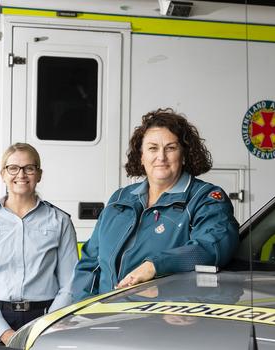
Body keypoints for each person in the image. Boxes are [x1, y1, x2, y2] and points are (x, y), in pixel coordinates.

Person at [72, 108, 239, 300]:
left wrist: (154, 266)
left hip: (158, 322)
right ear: (141, 157)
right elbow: (90, 263)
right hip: (106, 318)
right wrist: (82, 311)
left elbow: (212, 247)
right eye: (152, 148)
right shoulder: (120, 199)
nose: (161, 157)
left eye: (171, 148)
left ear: (184, 155)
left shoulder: (205, 198)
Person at [0, 143, 78, 344]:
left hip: (45, 318)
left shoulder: (60, 221)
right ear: (3, 174)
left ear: (39, 174)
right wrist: (3, 332)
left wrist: (46, 325)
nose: (21, 174)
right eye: (13, 168)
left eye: (29, 168)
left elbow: (70, 285)